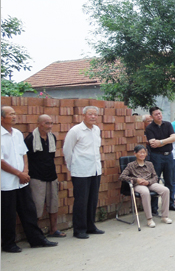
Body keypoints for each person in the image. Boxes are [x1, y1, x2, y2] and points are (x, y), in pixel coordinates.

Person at [1, 106, 58, 252]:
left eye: (15, 113)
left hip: (22, 181)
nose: (14, 116)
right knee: (8, 214)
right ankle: (9, 244)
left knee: (29, 211)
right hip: (7, 182)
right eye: (11, 114)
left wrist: (25, 171)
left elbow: (24, 154)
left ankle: (36, 239)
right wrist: (18, 174)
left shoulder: (17, 134)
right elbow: (1, 162)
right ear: (2, 118)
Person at [63, 105, 105, 239]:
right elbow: (67, 150)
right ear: (84, 115)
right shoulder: (75, 131)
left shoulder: (96, 130)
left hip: (95, 170)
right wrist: (72, 166)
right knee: (81, 201)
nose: (93, 117)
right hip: (81, 171)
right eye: (90, 114)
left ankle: (90, 226)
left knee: (92, 200)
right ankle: (79, 229)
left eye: (95, 114)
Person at [24, 114, 65, 237]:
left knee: (53, 203)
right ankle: (35, 234)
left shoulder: (52, 137)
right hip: (36, 176)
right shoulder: (30, 139)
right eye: (47, 123)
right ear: (39, 124)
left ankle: (53, 230)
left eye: (51, 123)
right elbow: (26, 158)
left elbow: (51, 157)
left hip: (51, 175)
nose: (50, 126)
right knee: (36, 205)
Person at [119, 145, 173, 228]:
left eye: (144, 153)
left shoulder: (149, 164)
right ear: (135, 154)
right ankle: (149, 219)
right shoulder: (131, 165)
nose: (142, 155)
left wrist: (148, 182)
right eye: (140, 153)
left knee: (165, 190)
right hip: (138, 185)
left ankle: (165, 216)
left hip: (149, 183)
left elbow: (155, 177)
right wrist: (136, 180)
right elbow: (122, 177)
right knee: (145, 192)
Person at [145, 107, 175, 213]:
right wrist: (167, 140)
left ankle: (170, 203)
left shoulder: (168, 124)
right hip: (156, 157)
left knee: (170, 181)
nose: (159, 116)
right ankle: (154, 207)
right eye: (156, 114)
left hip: (169, 156)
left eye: (160, 113)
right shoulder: (149, 128)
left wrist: (161, 142)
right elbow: (153, 144)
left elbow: (174, 138)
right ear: (152, 116)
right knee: (155, 181)